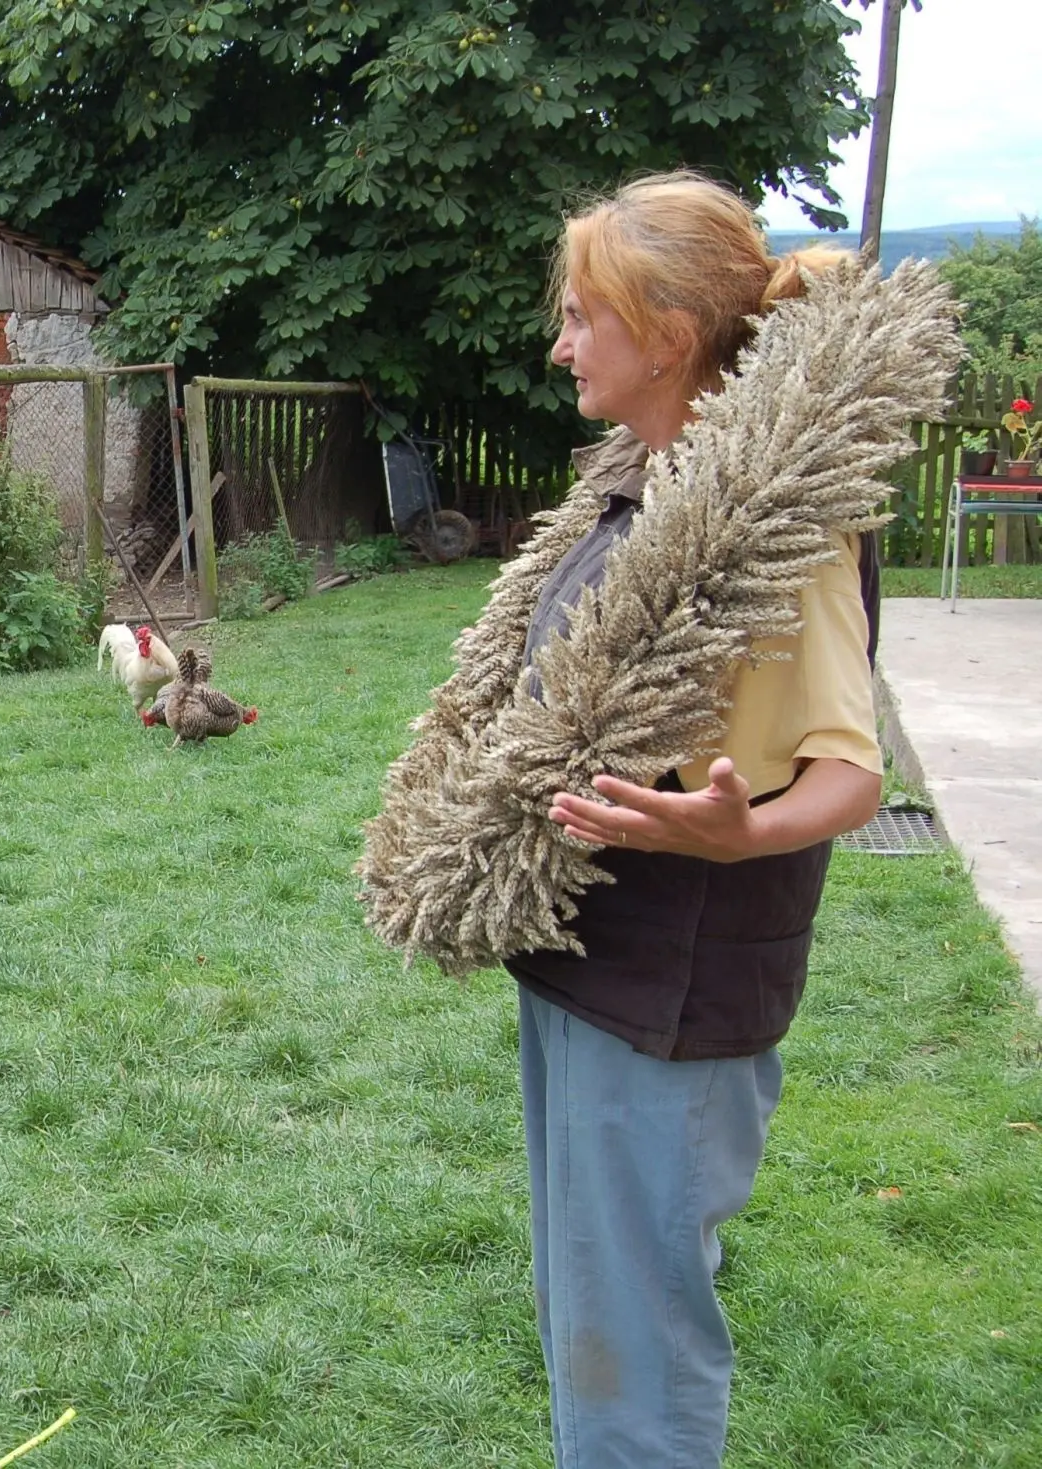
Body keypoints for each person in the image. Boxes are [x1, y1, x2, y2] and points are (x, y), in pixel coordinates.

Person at [359, 172, 958, 1466]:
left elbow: (850, 770)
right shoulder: (643, 485)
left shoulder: (778, 520)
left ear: (669, 336)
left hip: (672, 995)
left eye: (583, 317)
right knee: (589, 1311)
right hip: (585, 964)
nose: (558, 344)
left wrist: (737, 833)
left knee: (633, 1348)